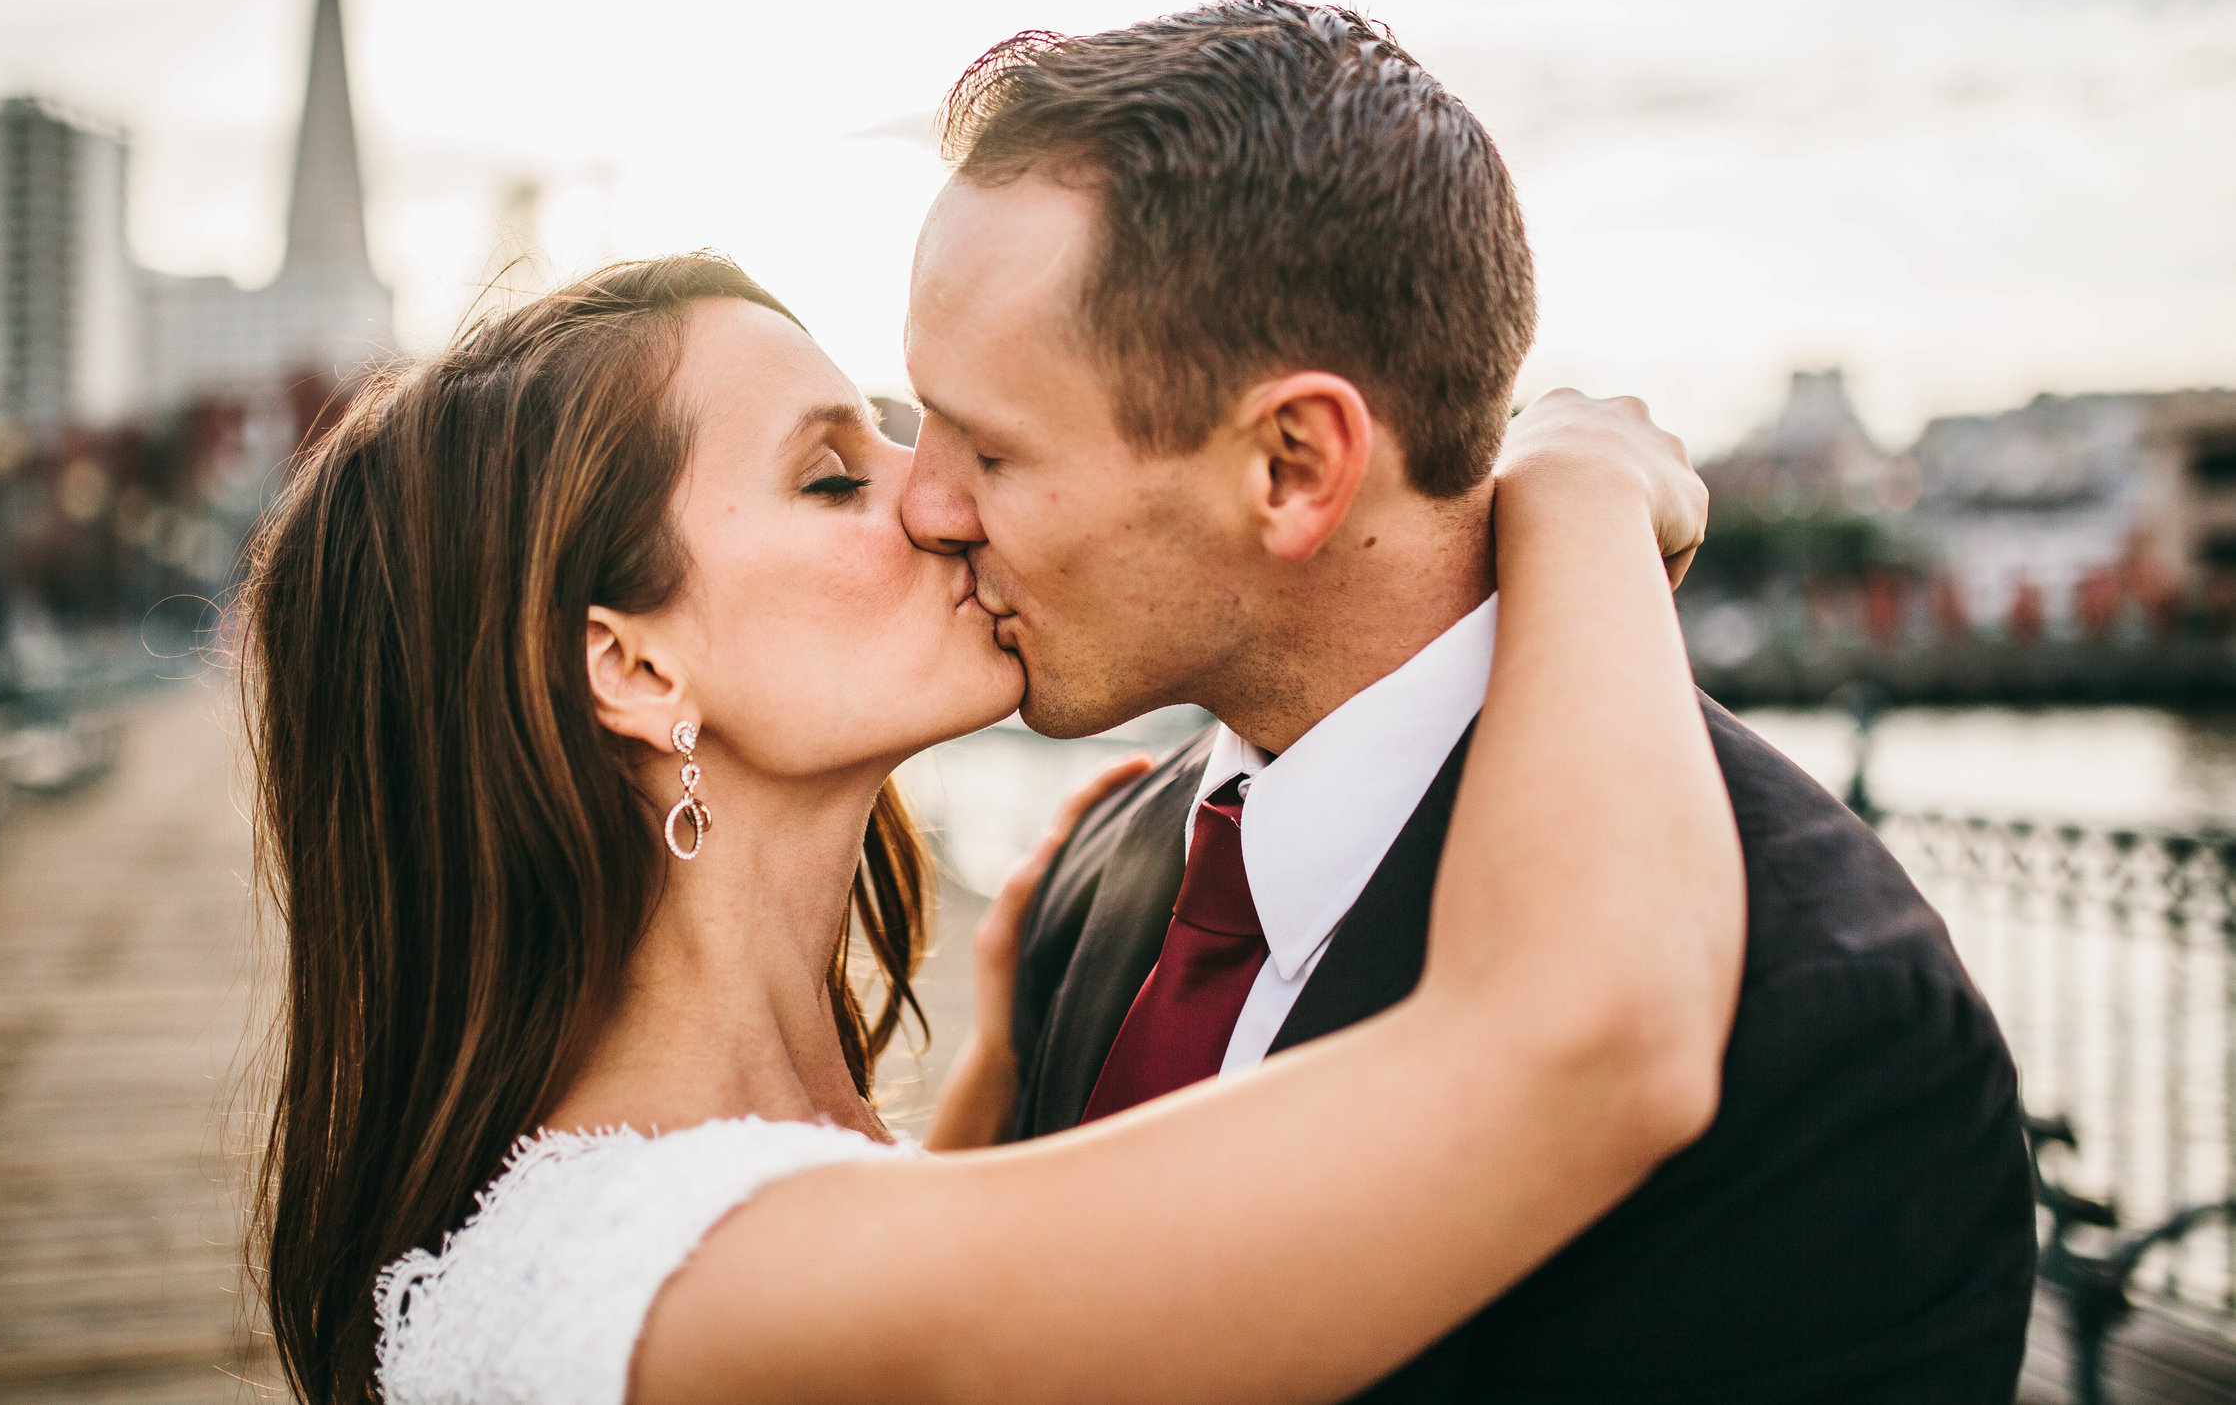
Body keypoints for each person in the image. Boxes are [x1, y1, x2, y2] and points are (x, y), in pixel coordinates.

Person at [240, 252, 1741, 1405]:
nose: (946, 500)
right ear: (634, 666)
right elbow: (1597, 1049)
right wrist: (1582, 497)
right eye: (838, 474)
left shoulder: (698, 1211)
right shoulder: (688, 1284)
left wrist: (1000, 1077)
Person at [900, 0, 2039, 1403]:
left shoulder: (1826, 1030)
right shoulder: (1097, 873)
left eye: (992, 451)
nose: (921, 502)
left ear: (1294, 466)